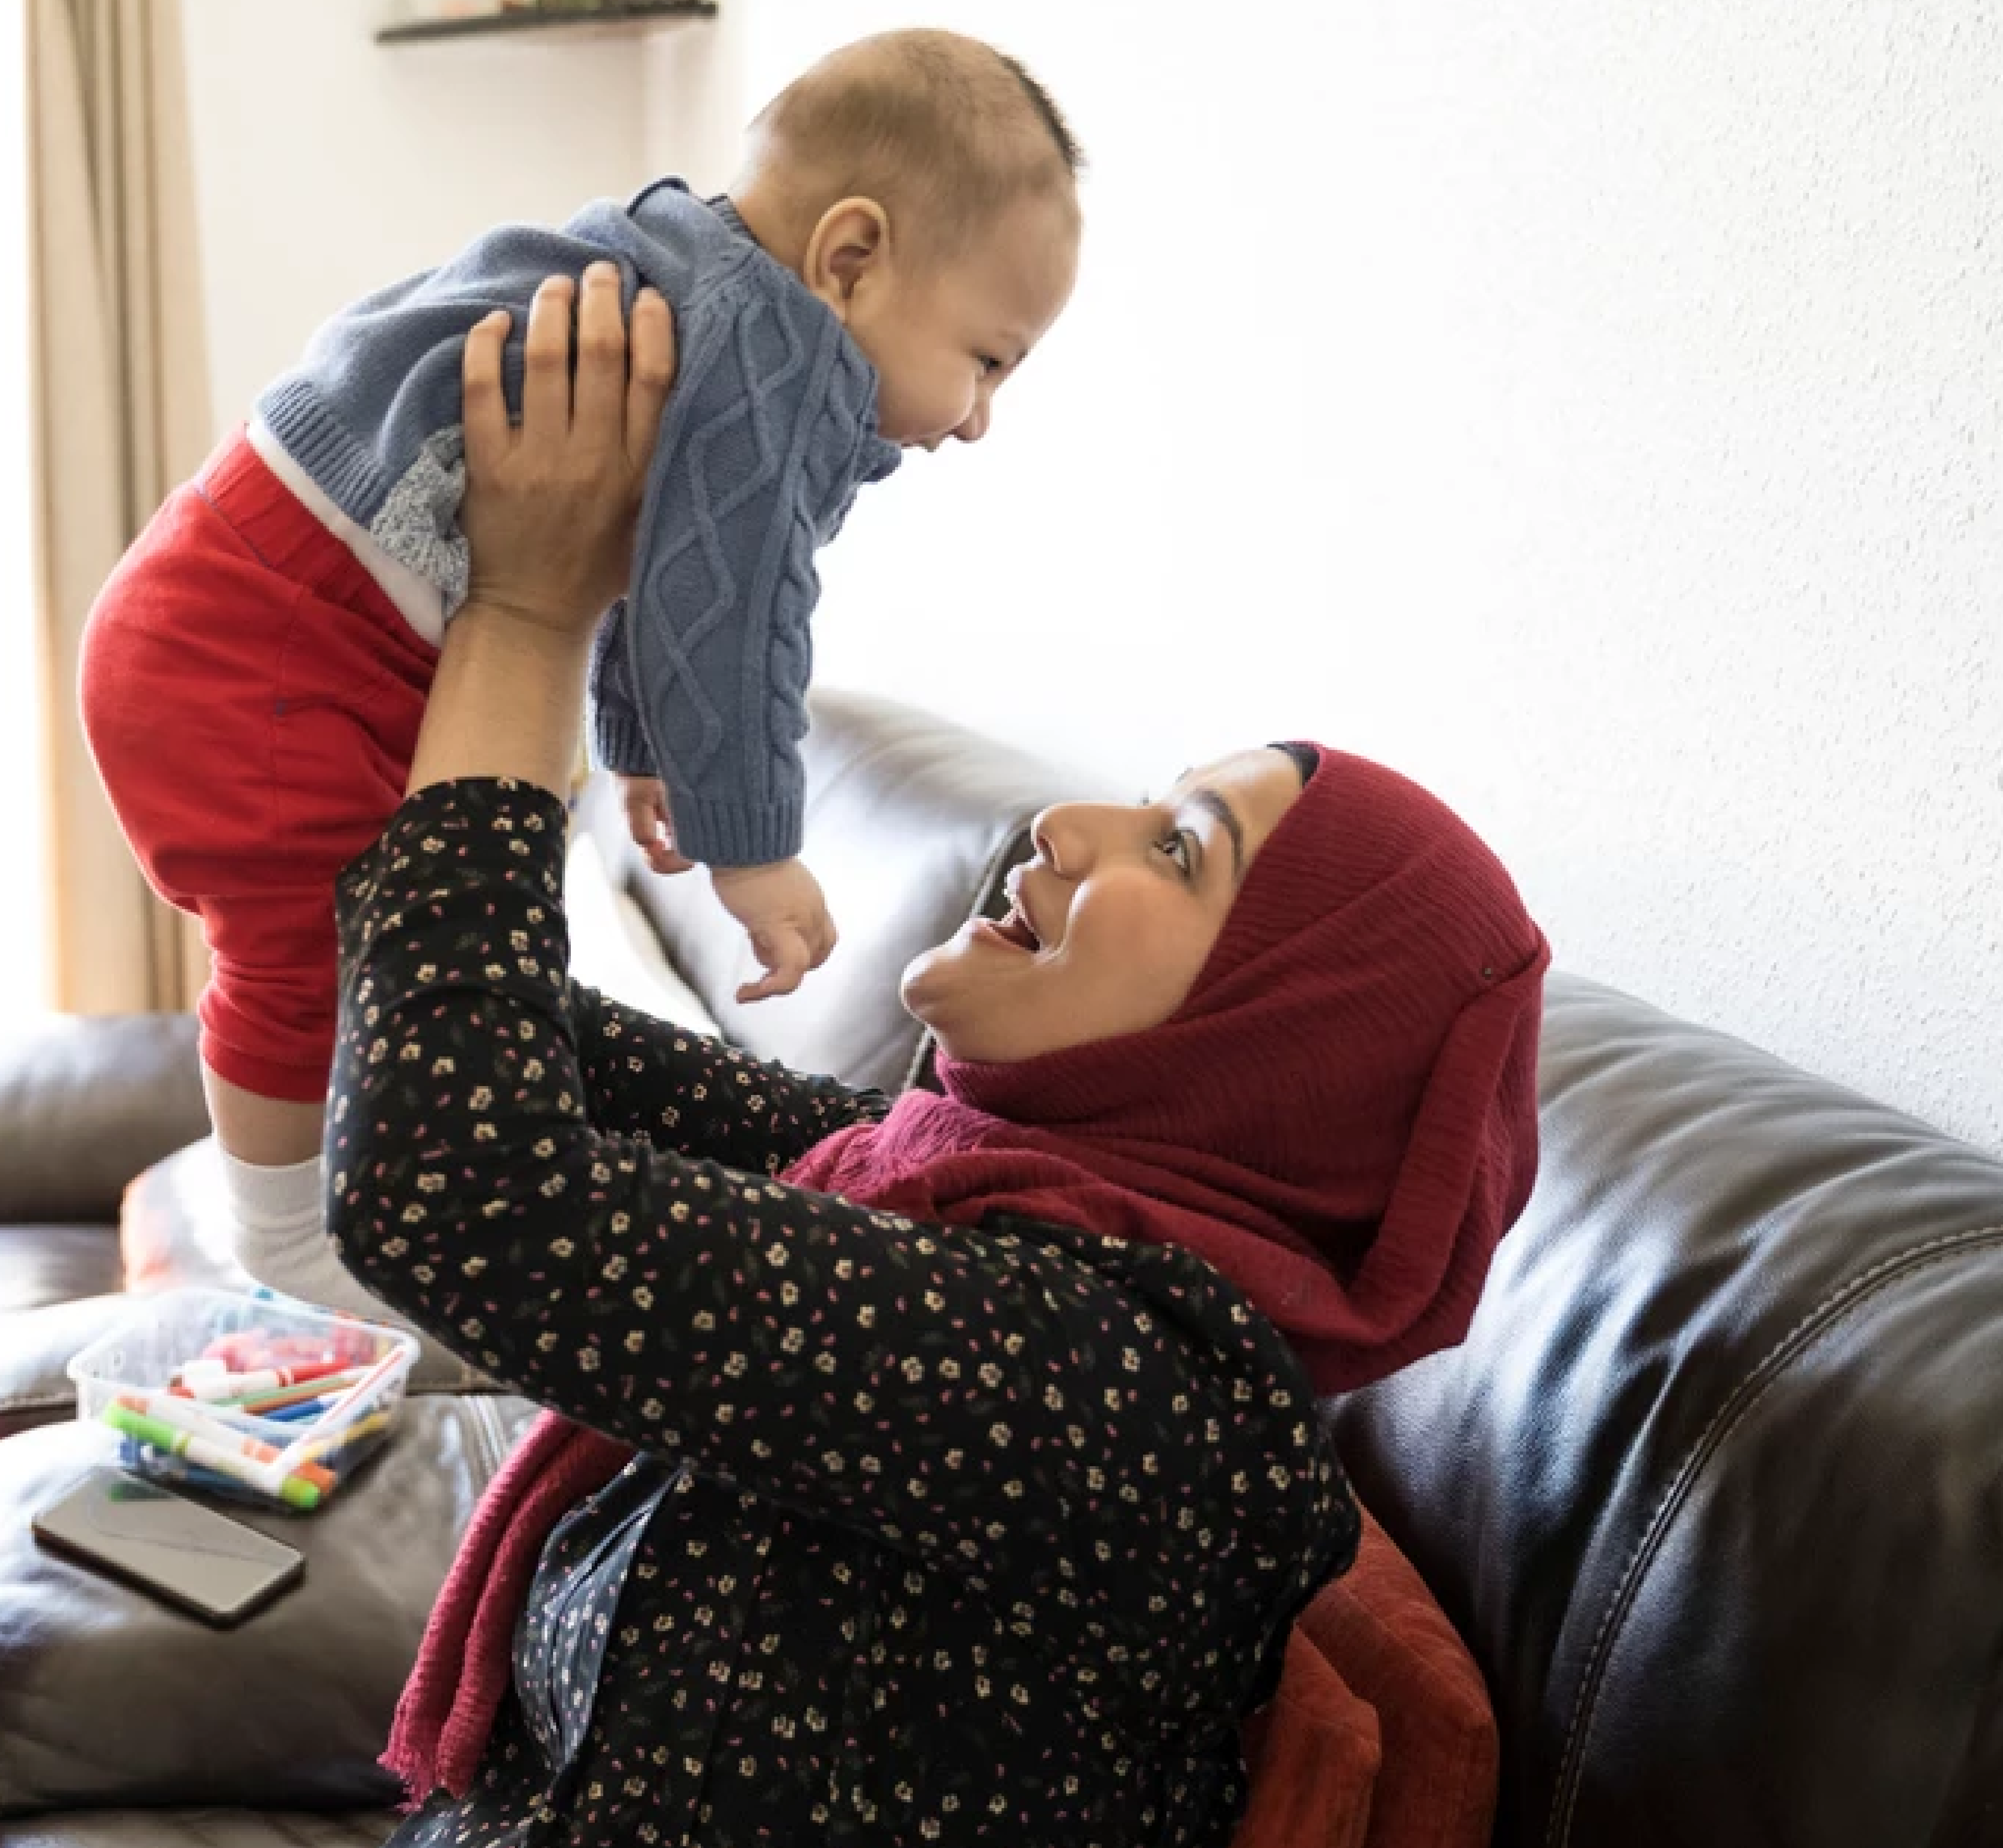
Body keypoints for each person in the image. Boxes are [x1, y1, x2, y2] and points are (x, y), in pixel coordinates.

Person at [332, 268, 1552, 1843]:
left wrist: (527, 614)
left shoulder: (1120, 1396)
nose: (1066, 823)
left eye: (1179, 853)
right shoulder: (935, 1189)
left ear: (1275, 1057)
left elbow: (457, 1180)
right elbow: (498, 1045)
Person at [78, 29, 1089, 1324]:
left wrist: (635, 739)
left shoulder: (690, 273)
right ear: (848, 260)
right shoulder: (778, 353)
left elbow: (659, 571)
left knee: (344, 930)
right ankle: (281, 1237)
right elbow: (741, 616)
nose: (975, 417)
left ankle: (289, 1217)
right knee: (308, 942)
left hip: (236, 593)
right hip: (269, 633)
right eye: (987, 358)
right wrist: (752, 848)